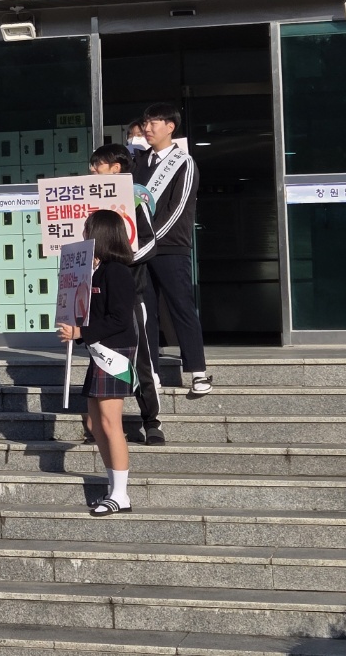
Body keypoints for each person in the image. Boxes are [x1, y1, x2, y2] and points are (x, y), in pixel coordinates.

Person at [57, 210, 138, 516]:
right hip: (100, 349)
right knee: (95, 421)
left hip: (114, 351)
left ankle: (120, 494)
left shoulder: (117, 272)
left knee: (109, 422)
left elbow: (119, 319)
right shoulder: (98, 271)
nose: (83, 236)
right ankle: (113, 487)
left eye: (87, 230)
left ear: (101, 234)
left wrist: (81, 332)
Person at [134, 104, 212, 397]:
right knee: (145, 312)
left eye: (154, 122)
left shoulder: (184, 163)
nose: (147, 128)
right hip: (140, 250)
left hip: (170, 247)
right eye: (145, 122)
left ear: (170, 126)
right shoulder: (139, 163)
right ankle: (150, 373)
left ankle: (198, 372)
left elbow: (178, 207)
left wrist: (150, 238)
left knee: (181, 307)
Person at [89, 143, 164, 444]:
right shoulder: (88, 199)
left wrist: (120, 260)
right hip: (95, 295)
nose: (92, 170)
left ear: (116, 168)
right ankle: (100, 425)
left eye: (98, 164)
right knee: (97, 356)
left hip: (129, 294)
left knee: (141, 359)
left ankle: (152, 421)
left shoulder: (133, 197)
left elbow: (150, 243)